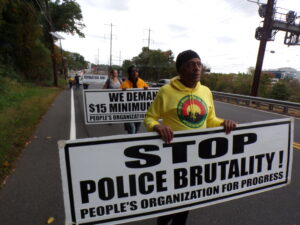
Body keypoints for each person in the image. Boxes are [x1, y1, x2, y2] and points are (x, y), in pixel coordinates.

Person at [144, 50, 236, 225]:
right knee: (171, 200)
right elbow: (150, 117)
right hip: (173, 155)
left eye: (199, 64)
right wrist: (157, 126)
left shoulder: (206, 91)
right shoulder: (166, 91)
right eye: (191, 64)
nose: (196, 68)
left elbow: (210, 120)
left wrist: (224, 123)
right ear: (180, 70)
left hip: (197, 156)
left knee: (187, 200)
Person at [120, 65, 149, 134]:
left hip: (138, 110)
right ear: (129, 73)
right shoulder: (125, 84)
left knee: (136, 130)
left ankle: (132, 142)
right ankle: (131, 142)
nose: (135, 72)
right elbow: (118, 98)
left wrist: (147, 89)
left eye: (137, 71)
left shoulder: (142, 82)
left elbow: (149, 93)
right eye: (133, 71)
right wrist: (121, 91)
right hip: (128, 111)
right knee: (132, 129)